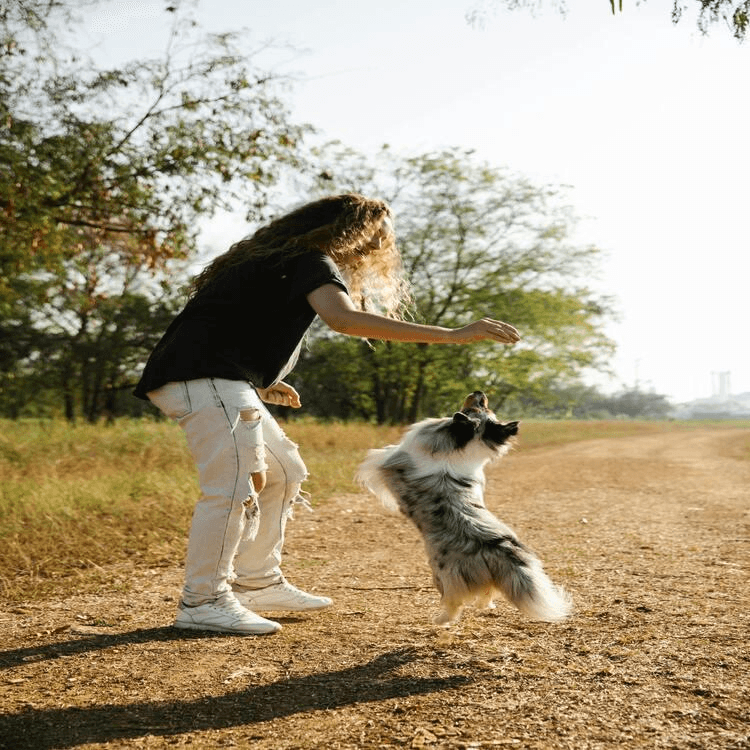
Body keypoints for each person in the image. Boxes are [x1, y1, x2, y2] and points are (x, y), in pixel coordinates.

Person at [133, 193, 520, 636]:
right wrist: (455, 334)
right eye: (377, 235)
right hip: (205, 380)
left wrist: (257, 379)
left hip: (216, 378)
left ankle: (257, 582)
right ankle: (203, 601)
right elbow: (344, 319)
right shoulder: (312, 261)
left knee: (283, 472)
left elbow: (229, 323)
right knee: (233, 487)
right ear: (350, 229)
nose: (379, 247)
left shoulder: (280, 257)